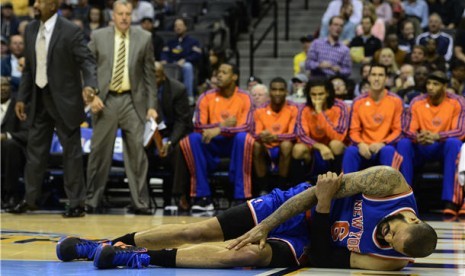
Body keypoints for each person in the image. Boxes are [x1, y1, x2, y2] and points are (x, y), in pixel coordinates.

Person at [56, 166, 437, 270]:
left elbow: (323, 257)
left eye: (389, 244)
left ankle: (131, 257)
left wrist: (323, 209)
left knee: (244, 255)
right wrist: (266, 224)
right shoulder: (389, 182)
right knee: (201, 229)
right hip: (297, 204)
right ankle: (101, 244)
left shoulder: (388, 261)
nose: (383, 238)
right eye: (390, 232)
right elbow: (313, 191)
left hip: (310, 238)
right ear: (414, 219)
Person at [9, 0, 98, 217]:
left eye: (41, 1)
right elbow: (29, 68)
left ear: (53, 6)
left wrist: (90, 84)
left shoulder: (70, 30)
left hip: (65, 101)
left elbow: (86, 61)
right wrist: (22, 97)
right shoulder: (30, 29)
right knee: (35, 153)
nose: (36, 4)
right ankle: (30, 200)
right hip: (39, 99)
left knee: (72, 155)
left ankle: (77, 203)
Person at [85, 0, 157, 215]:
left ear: (132, 15)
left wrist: (152, 106)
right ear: (113, 15)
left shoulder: (145, 38)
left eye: (128, 13)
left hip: (132, 101)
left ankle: (140, 203)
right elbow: (87, 68)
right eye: (120, 13)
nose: (124, 17)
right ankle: (91, 200)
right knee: (98, 152)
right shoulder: (98, 37)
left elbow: (150, 76)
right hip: (105, 100)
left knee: (137, 153)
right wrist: (90, 94)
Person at [179, 62, 253, 211]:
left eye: (224, 72)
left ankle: (240, 196)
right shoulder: (206, 96)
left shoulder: (245, 97)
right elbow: (198, 125)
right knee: (191, 139)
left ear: (234, 77)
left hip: (234, 144)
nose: (219, 75)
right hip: (211, 143)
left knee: (244, 138)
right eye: (218, 72)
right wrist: (221, 126)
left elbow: (247, 126)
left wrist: (220, 129)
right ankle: (203, 197)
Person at [397, 71, 465, 216]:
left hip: (443, 146)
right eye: (428, 83)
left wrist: (436, 136)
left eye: (435, 84)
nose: (430, 87)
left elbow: (460, 131)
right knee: (404, 143)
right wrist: (418, 137)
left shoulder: (457, 102)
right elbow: (408, 130)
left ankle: (450, 202)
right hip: (421, 145)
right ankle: (404, 199)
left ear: (445, 86)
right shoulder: (417, 101)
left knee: (454, 143)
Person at [343, 63, 404, 174]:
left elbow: (398, 130)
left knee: (389, 151)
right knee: (350, 151)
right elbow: (353, 130)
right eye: (374, 75)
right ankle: (349, 191)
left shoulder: (396, 101)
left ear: (386, 78)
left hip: (385, 146)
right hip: (363, 147)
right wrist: (360, 144)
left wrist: (382, 144)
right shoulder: (358, 102)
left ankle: (391, 191)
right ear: (368, 77)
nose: (376, 78)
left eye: (380, 75)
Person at [149, 61, 192, 209]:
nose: (153, 80)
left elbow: (182, 121)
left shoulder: (177, 89)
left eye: (156, 76)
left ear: (163, 76)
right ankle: (142, 198)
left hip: (174, 131)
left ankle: (179, 195)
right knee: (138, 150)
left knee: (179, 150)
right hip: (151, 131)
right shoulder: (142, 88)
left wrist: (169, 142)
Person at [292, 78, 349, 183]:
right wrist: (320, 147)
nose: (317, 98)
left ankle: (338, 184)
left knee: (336, 144)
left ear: (327, 93)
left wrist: (320, 113)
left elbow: (339, 136)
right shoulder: (303, 108)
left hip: (333, 149)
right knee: (298, 149)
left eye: (320, 94)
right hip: (313, 149)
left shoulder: (340, 106)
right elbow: (301, 135)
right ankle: (298, 189)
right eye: (313, 94)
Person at [252, 77, 299, 193]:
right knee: (255, 145)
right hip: (266, 148)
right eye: (274, 89)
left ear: (286, 92)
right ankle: (263, 189)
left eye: (281, 90)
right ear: (269, 91)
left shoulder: (294, 108)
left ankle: (280, 188)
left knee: (286, 145)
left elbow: (294, 134)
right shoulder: (259, 110)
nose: (277, 93)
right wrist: (262, 135)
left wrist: (276, 137)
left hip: (284, 149)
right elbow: (255, 133)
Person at [161, 17, 202, 106]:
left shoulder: (193, 42)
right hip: (172, 65)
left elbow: (197, 55)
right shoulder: (170, 42)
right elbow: (164, 53)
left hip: (185, 66)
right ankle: (163, 96)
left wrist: (185, 60)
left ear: (185, 27)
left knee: (187, 66)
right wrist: (165, 60)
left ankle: (188, 96)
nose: (178, 27)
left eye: (180, 25)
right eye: (176, 26)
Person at [0, 77, 27, 209]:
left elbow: (27, 133)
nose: (3, 88)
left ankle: (11, 194)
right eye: (0, 86)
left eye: (5, 85)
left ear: (11, 88)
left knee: (9, 145)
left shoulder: (19, 106)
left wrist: (6, 136)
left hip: (15, 152)